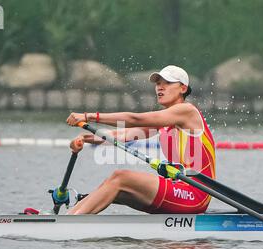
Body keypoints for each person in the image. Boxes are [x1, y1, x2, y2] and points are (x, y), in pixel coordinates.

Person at [65, 65, 216, 215]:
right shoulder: (164, 121)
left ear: (183, 88)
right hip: (179, 189)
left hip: (195, 194)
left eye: (167, 83)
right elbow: (121, 135)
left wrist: (88, 116)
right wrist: (85, 139)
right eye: (158, 84)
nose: (160, 88)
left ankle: (69, 223)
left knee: (121, 177)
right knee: (113, 185)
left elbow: (134, 119)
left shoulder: (187, 111)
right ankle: (70, 217)